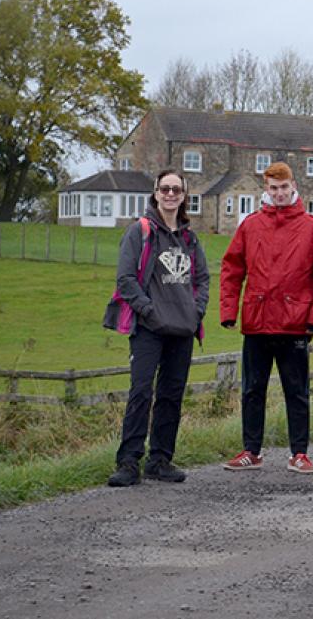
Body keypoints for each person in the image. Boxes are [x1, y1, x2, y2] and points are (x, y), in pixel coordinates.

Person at [220, 162, 313, 475]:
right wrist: (229, 311)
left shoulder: (312, 228)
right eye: (273, 189)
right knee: (252, 389)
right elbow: (232, 269)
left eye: (284, 188)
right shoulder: (251, 225)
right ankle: (251, 451)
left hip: (294, 322)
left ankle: (300, 453)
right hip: (257, 321)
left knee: (296, 391)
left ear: (293, 186)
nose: (280, 194)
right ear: (266, 190)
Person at [105, 169, 210, 487]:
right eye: (165, 189)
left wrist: (196, 312)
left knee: (171, 395)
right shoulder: (141, 231)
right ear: (155, 192)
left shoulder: (190, 238)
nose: (170, 194)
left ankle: (160, 460)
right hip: (149, 327)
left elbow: (202, 278)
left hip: (182, 328)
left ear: (183, 195)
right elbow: (125, 280)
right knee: (140, 392)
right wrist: (148, 311)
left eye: (176, 189)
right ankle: (128, 462)